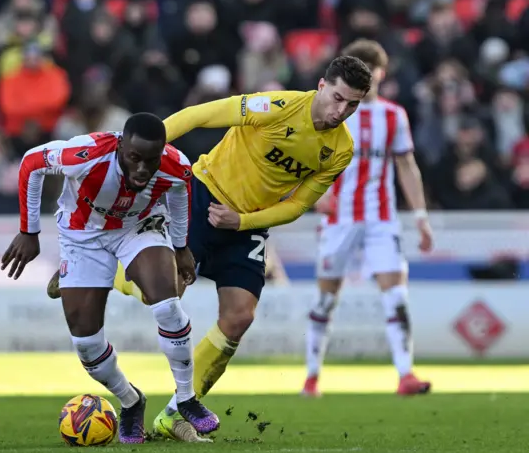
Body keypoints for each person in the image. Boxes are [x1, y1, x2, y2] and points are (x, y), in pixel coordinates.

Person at [47, 55, 372, 441]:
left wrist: (244, 222)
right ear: (321, 85)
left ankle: (173, 413)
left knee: (240, 316)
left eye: (352, 104)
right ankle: (88, 271)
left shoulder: (340, 150)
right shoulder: (277, 107)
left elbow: (300, 204)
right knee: (170, 289)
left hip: (247, 224)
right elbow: (201, 114)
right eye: (337, 98)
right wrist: (142, 150)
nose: (341, 110)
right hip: (204, 196)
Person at [0, 113, 220, 444]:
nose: (144, 169)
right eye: (135, 158)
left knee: (167, 302)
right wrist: (29, 231)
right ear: (121, 147)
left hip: (139, 228)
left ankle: (187, 398)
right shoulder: (85, 154)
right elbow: (32, 163)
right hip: (82, 235)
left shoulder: (175, 164)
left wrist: (180, 247)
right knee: (87, 345)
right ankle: (131, 400)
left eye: (151, 159)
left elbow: (178, 194)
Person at [303, 40, 434, 398]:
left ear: (381, 72)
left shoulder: (393, 116)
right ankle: (312, 376)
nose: (369, 77)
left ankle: (406, 374)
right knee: (327, 299)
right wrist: (318, 194)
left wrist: (421, 215)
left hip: (381, 218)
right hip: (338, 218)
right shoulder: (333, 110)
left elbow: (406, 165)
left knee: (396, 295)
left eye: (372, 70)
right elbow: (310, 156)